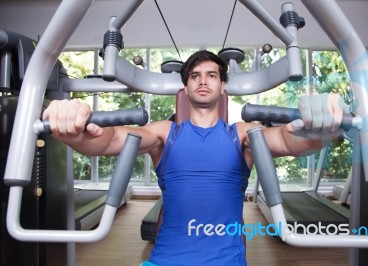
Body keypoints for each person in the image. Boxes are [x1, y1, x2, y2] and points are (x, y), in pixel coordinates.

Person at [43, 50, 347, 266]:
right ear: (186, 87)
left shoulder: (242, 134)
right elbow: (113, 139)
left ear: (222, 85)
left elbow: (288, 140)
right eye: (195, 76)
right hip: (165, 260)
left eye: (211, 75)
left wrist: (324, 125)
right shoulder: (165, 133)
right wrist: (73, 129)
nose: (203, 81)